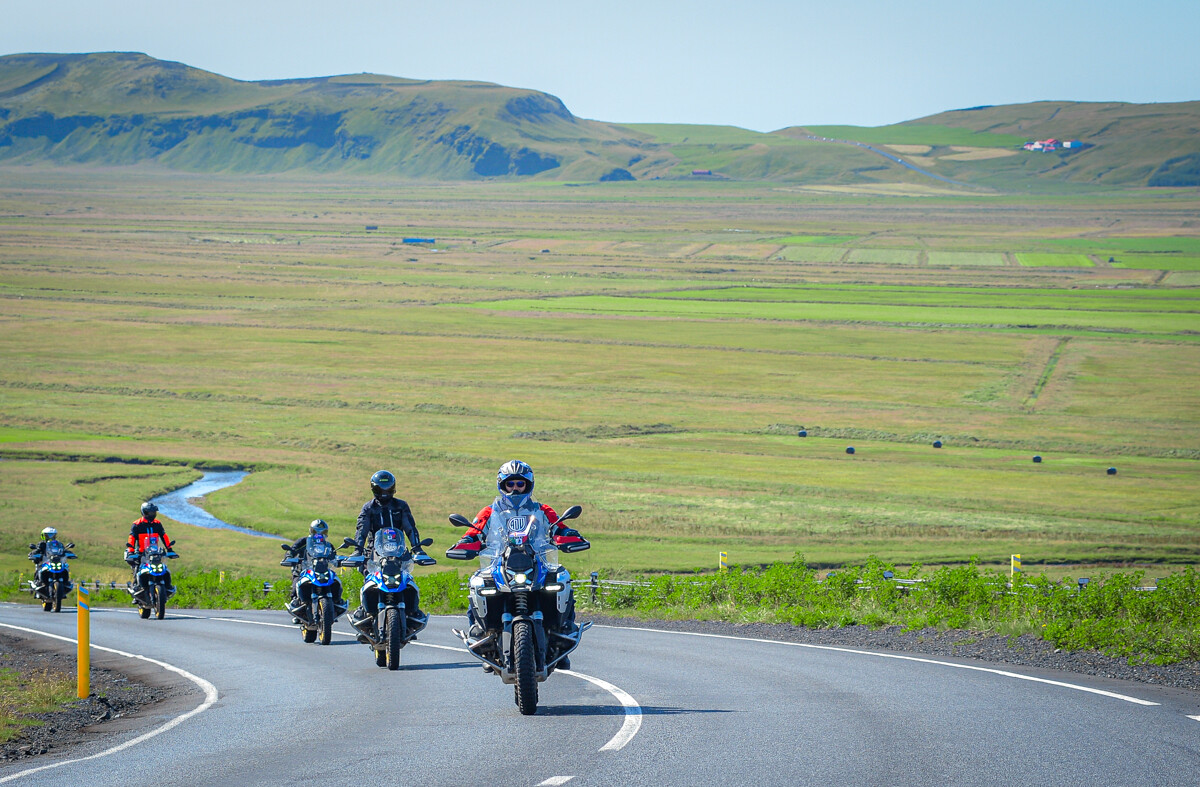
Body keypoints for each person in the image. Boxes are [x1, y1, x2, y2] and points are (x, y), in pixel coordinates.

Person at [450, 460, 586, 667]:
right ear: (502, 485)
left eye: (520, 484)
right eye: (510, 484)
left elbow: (559, 527)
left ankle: (564, 632)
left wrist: (569, 535)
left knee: (562, 579)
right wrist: (466, 542)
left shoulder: (542, 510)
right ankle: (480, 634)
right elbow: (474, 531)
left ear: (528, 485)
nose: (515, 488)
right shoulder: (489, 511)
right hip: (499, 564)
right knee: (477, 583)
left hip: (537, 562)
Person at [349, 471, 427, 625]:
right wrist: (357, 550)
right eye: (381, 488)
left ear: (393, 488)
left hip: (399, 550)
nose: (384, 492)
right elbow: (361, 530)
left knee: (407, 578)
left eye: (387, 488)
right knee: (369, 577)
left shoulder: (401, 506)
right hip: (374, 551)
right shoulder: (368, 508)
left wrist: (417, 548)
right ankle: (365, 608)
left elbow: (410, 528)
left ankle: (413, 609)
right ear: (374, 489)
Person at [284, 519, 336, 617]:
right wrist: (289, 556)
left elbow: (334, 555)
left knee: (335, 581)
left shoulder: (328, 545)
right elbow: (292, 549)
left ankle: (336, 602)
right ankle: (297, 606)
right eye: (316, 531)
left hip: (322, 571)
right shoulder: (303, 541)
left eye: (323, 532)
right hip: (303, 570)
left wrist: (339, 560)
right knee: (295, 588)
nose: (319, 534)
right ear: (311, 531)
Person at [125, 502, 174, 579]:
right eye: (150, 512)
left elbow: (164, 536)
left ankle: (167, 584)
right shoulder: (137, 524)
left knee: (165, 571)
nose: (152, 514)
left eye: (154, 512)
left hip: (156, 553)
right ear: (144, 512)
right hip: (141, 553)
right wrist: (131, 551)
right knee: (138, 571)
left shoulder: (157, 523)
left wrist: (169, 549)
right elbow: (132, 538)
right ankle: (136, 583)